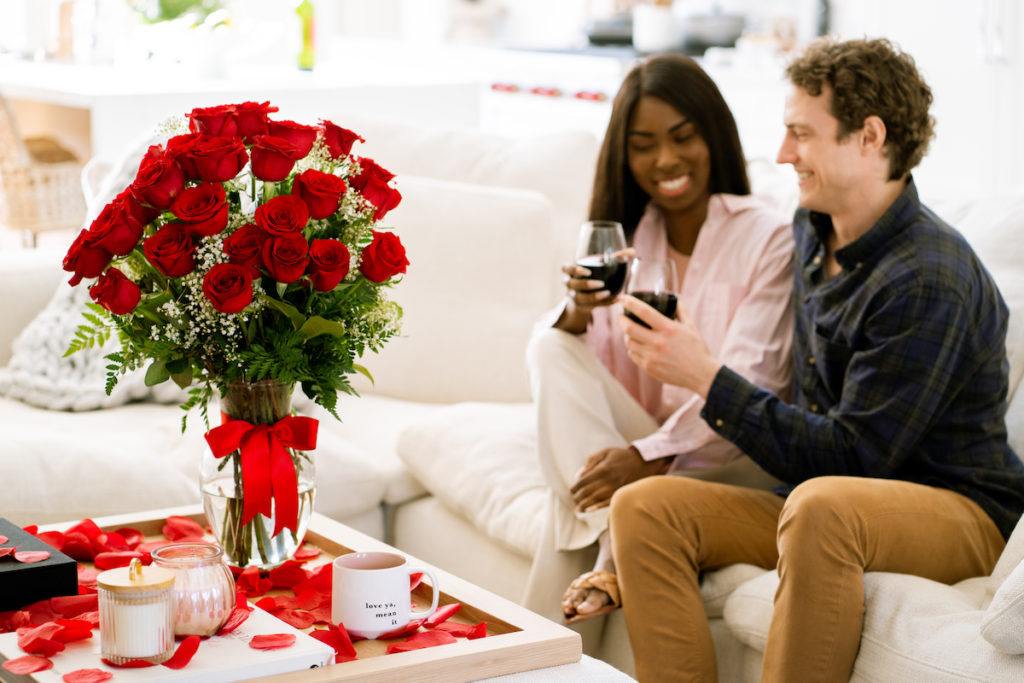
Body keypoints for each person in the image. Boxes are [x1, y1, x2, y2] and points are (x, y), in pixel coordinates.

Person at [610, 37, 1024, 682]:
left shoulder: (928, 276)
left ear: (868, 137)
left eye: (801, 134)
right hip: (823, 498)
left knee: (823, 505)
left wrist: (704, 376)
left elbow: (856, 459)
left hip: (958, 509)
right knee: (644, 506)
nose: (782, 155)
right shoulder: (811, 228)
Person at [523, 54, 794, 625]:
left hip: (735, 453)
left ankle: (588, 583)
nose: (665, 159)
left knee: (566, 505)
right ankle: (617, 541)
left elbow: (750, 388)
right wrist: (578, 307)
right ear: (625, 155)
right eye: (644, 144)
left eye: (682, 137)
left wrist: (643, 458)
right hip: (655, 450)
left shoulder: (768, 237)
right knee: (550, 344)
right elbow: (584, 371)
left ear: (712, 136)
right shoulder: (633, 237)